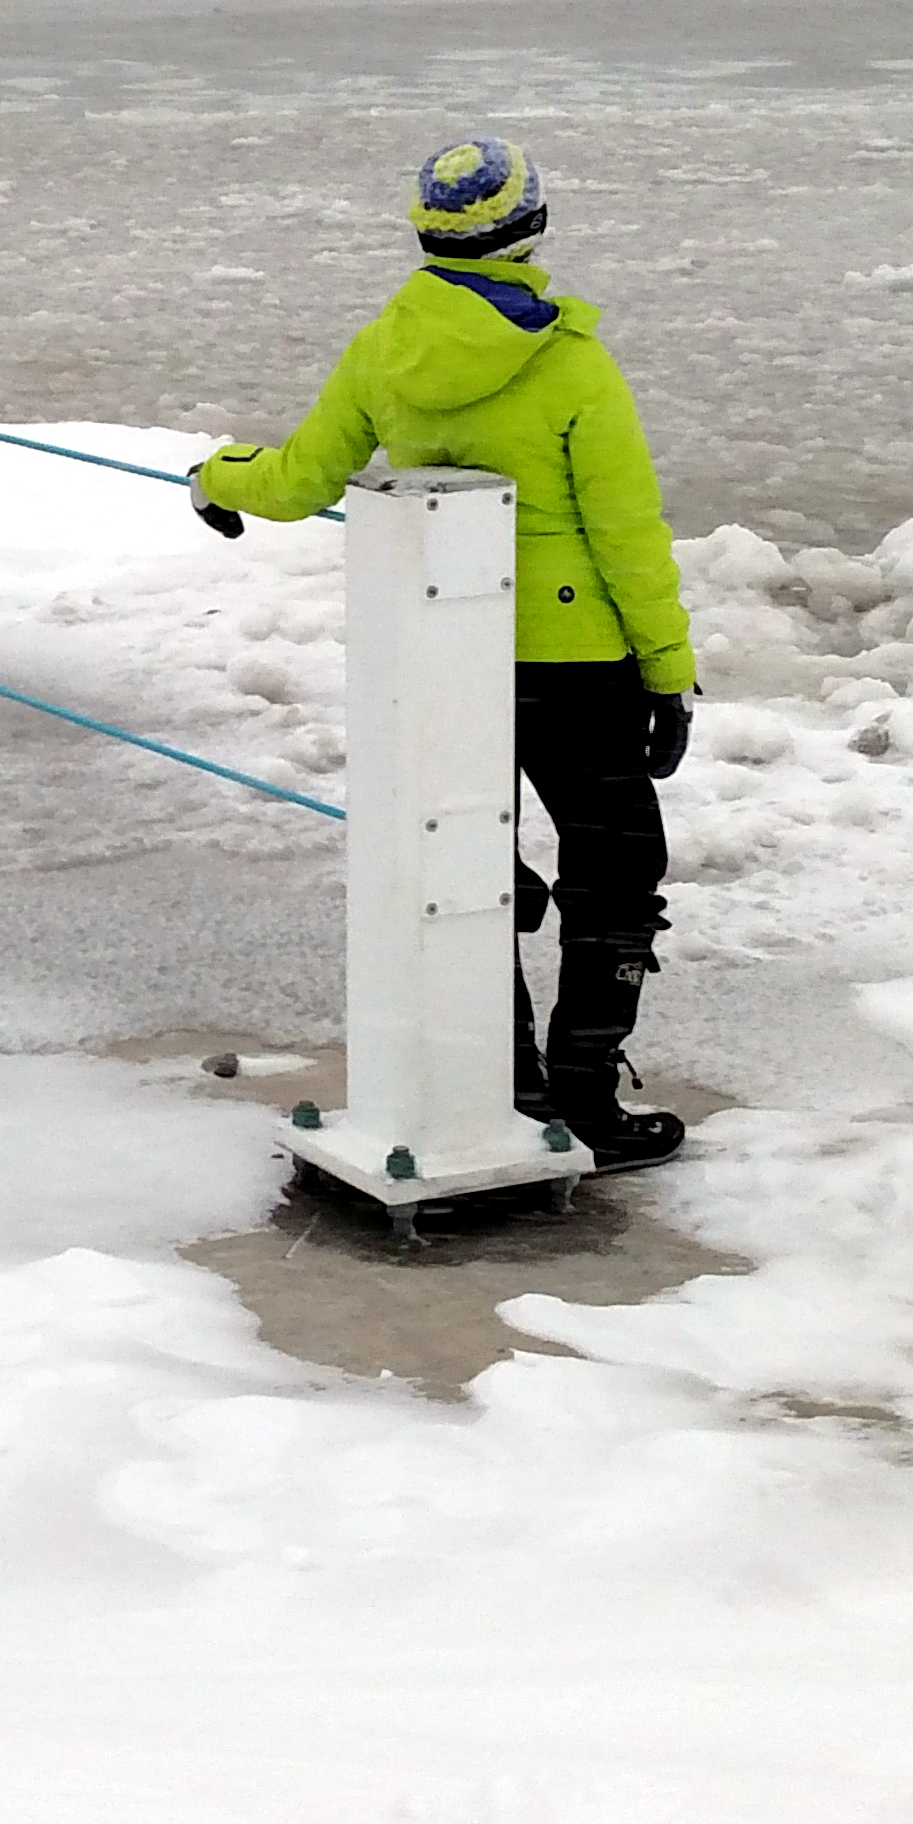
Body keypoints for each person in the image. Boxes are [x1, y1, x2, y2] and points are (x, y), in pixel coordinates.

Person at [188, 137, 697, 1170]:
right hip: (577, 665)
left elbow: (300, 479)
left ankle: (505, 1086)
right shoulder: (570, 362)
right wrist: (667, 670)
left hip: (448, 659)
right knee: (617, 867)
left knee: (468, 864)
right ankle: (586, 1097)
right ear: (532, 228)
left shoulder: (385, 351)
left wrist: (216, 475)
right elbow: (627, 537)